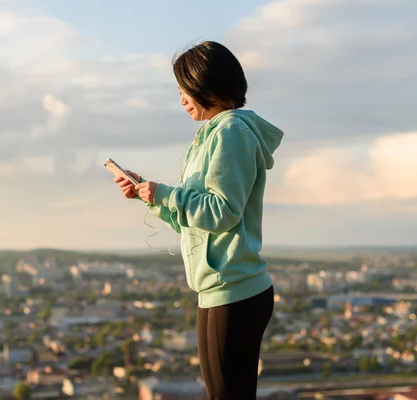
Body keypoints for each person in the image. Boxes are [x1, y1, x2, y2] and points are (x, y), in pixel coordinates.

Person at [114, 41, 284, 399]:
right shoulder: (208, 137)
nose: (180, 100)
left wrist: (165, 193)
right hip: (215, 288)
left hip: (236, 289)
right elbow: (195, 221)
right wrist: (150, 197)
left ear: (204, 83)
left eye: (182, 90)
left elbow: (222, 211)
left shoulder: (231, 132)